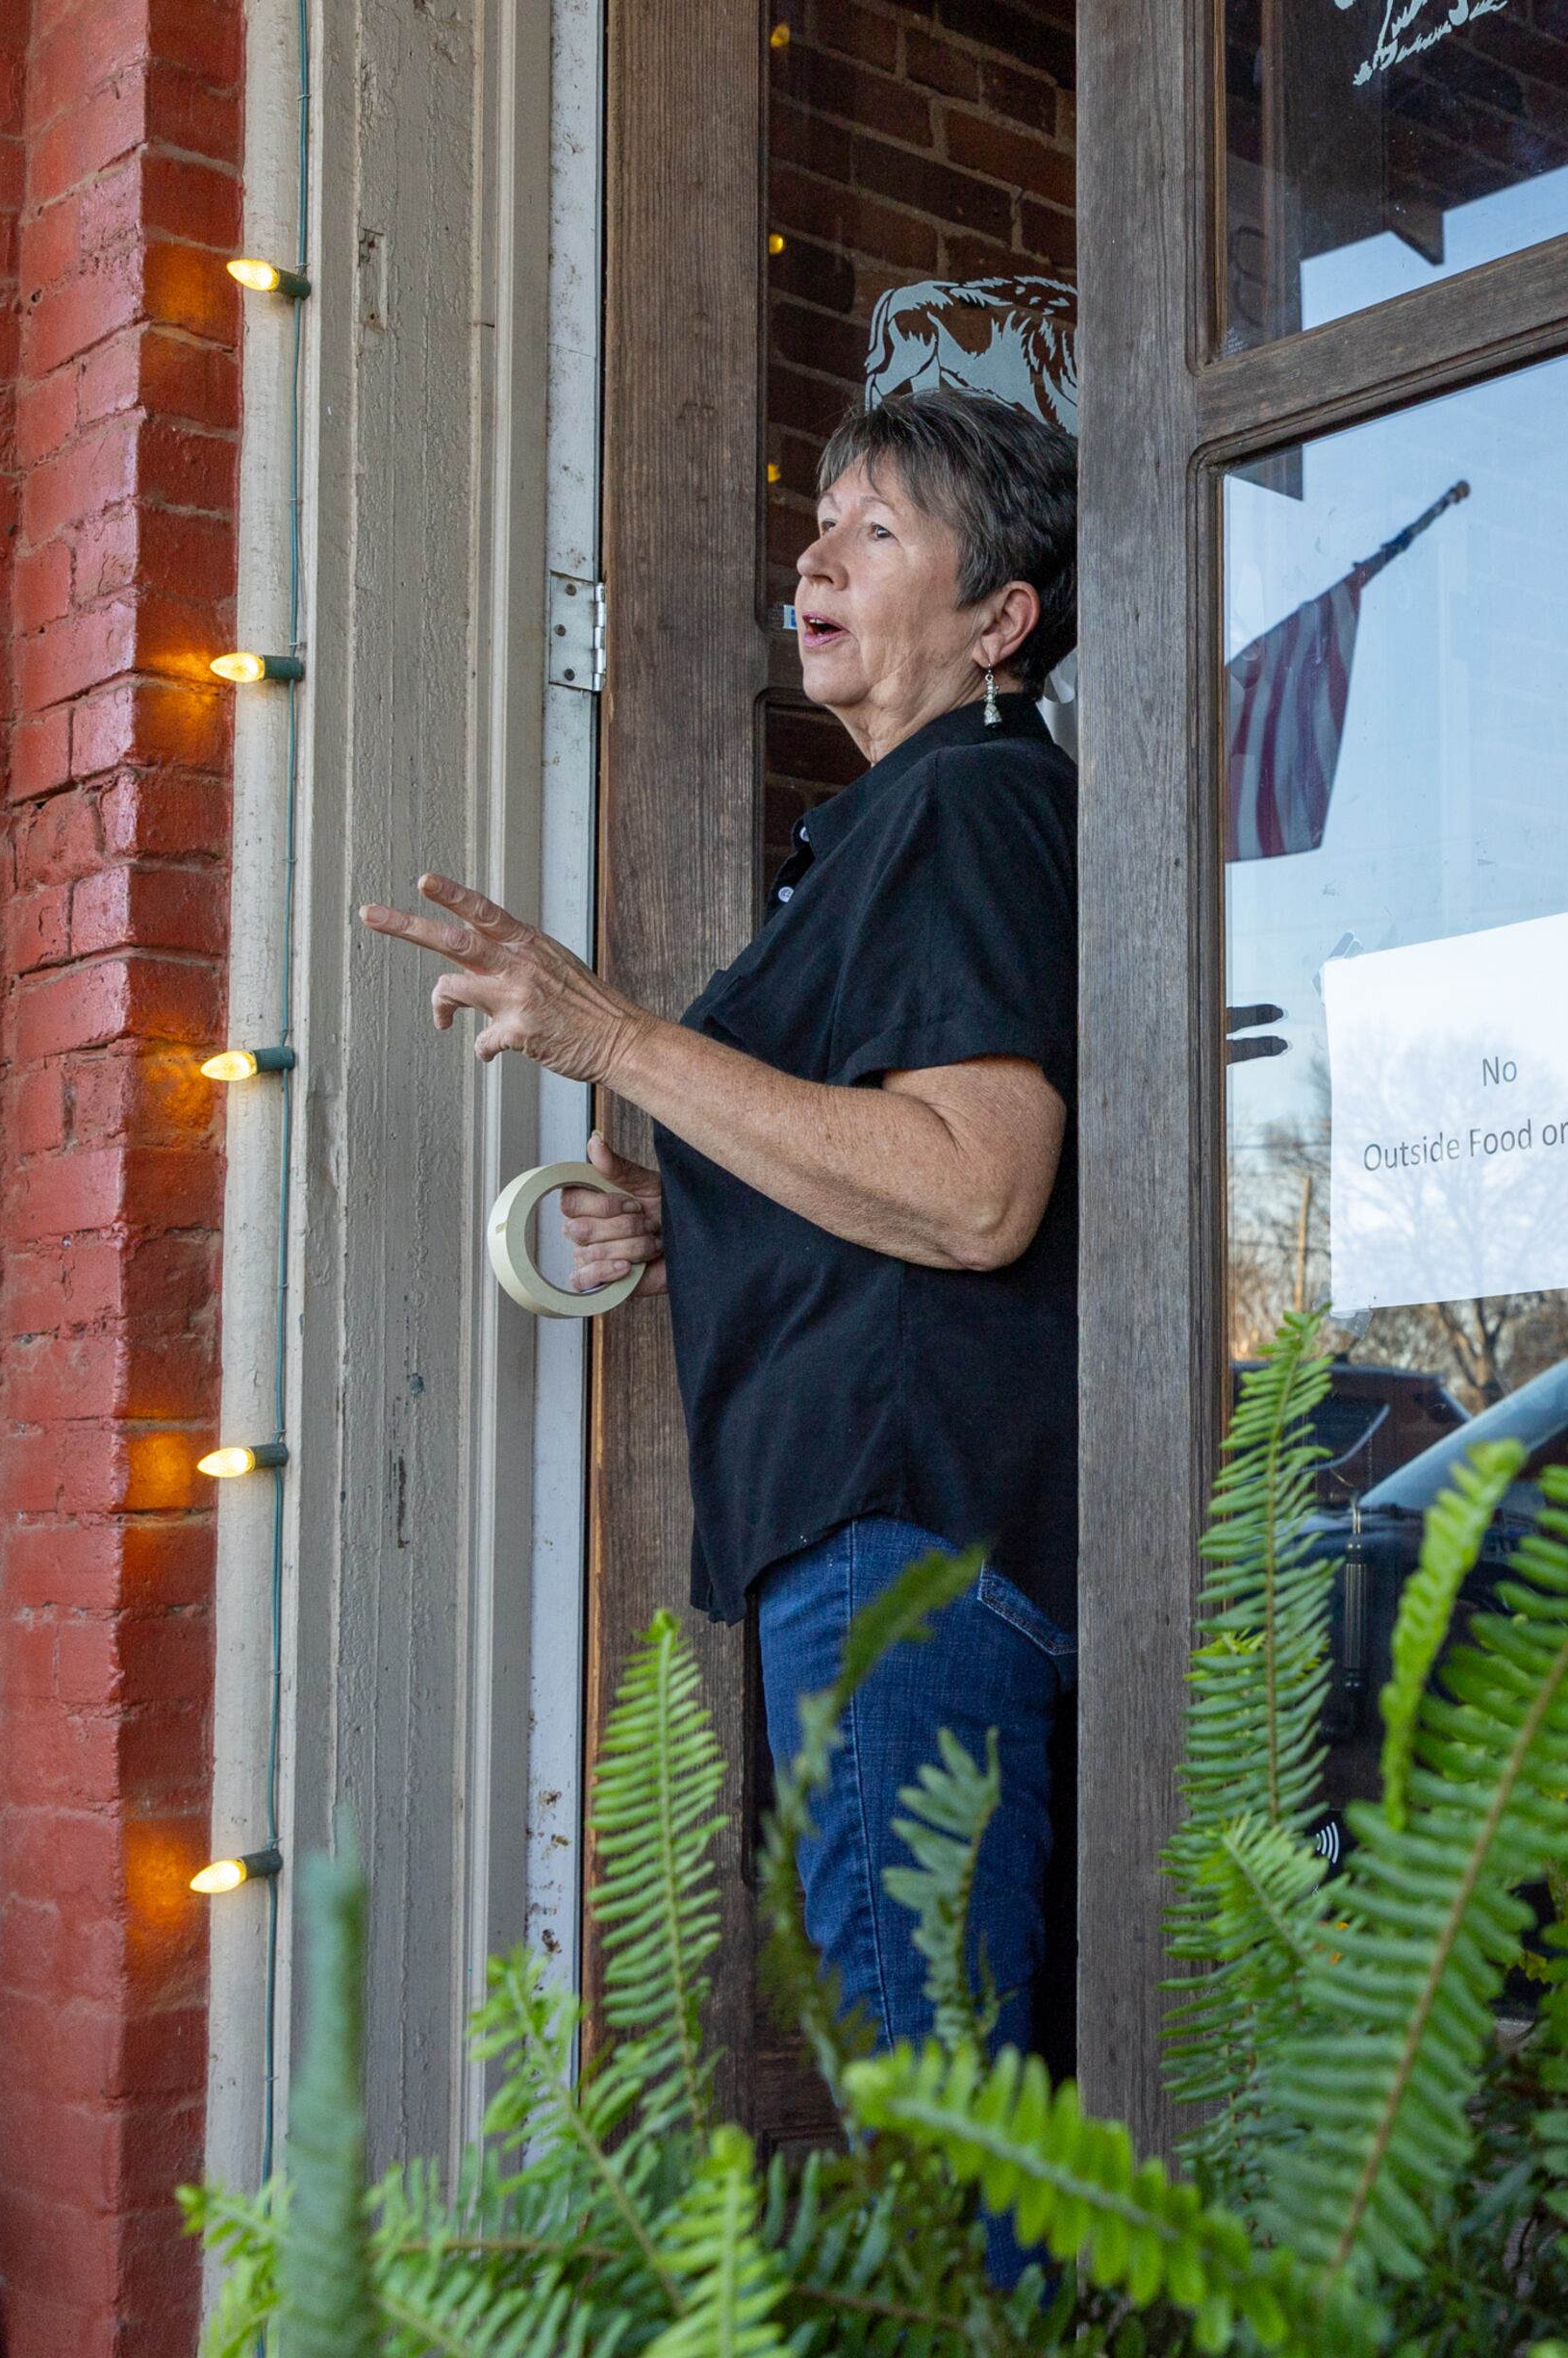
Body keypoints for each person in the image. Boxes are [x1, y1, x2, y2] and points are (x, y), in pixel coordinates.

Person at [363, 387, 1080, 2067]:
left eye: (877, 532)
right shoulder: (901, 825)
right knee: (943, 2084)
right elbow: (888, 1164)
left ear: (1001, 622)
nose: (814, 560)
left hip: (903, 1532)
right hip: (893, 1531)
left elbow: (977, 1193)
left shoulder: (966, 806)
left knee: (932, 2107)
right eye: (820, 525)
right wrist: (697, 1213)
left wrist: (611, 1038)